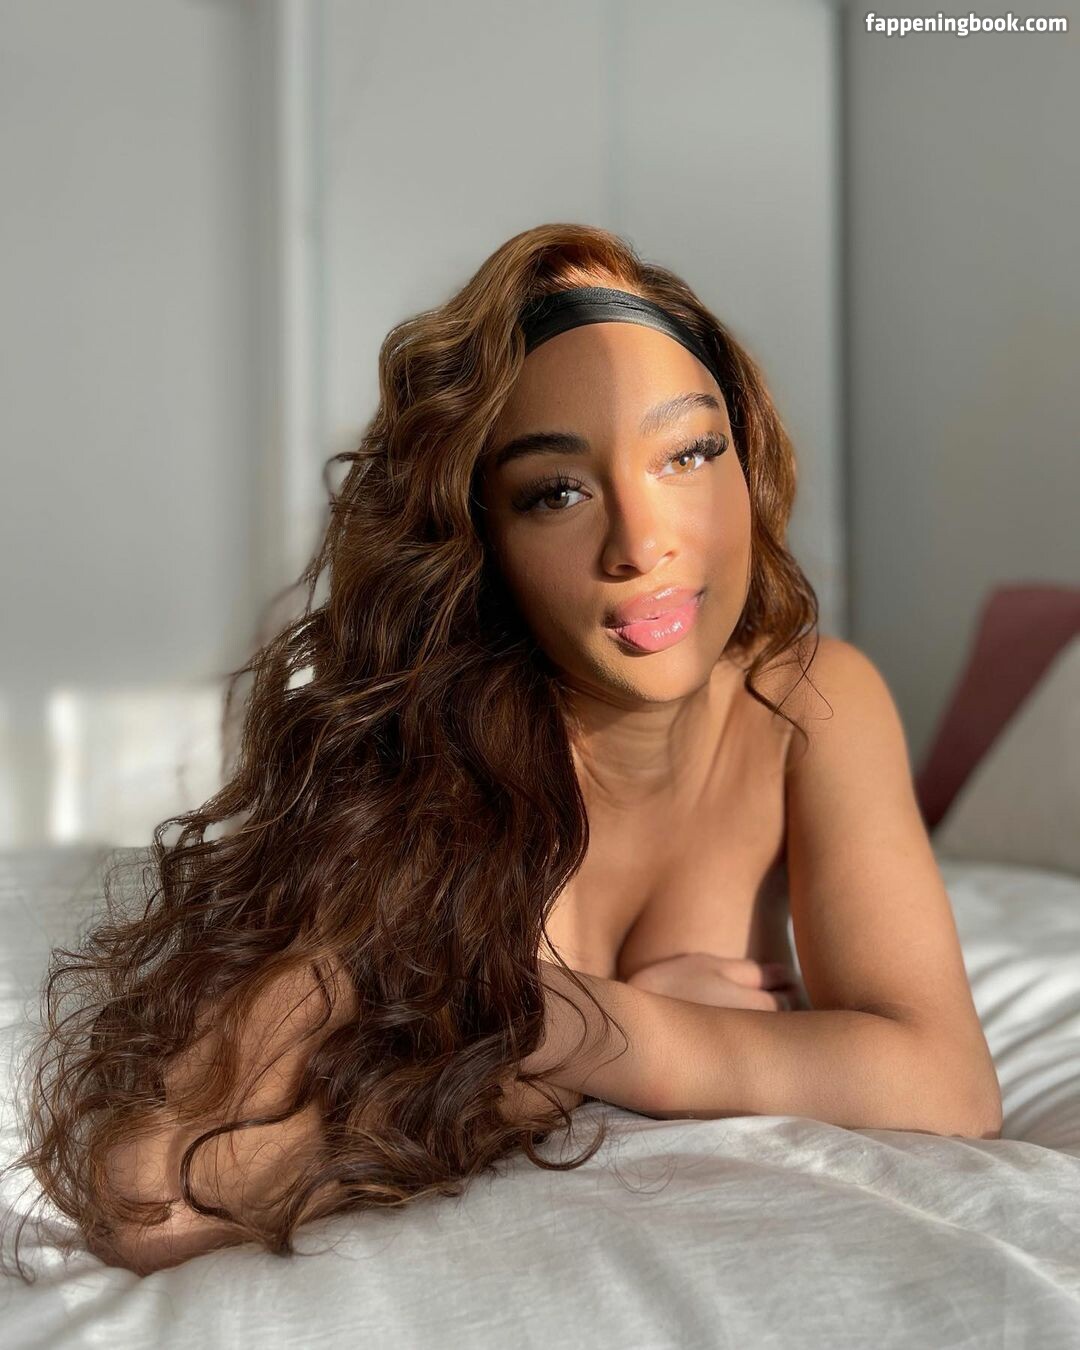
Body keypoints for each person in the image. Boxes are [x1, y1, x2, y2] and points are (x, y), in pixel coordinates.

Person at [0, 223, 998, 1280]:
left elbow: (948, 1084)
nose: (641, 543)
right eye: (557, 492)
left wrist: (566, 1033)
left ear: (745, 460)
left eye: (688, 453)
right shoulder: (427, 768)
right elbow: (148, 1193)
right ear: (482, 540)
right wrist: (569, 1046)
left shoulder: (809, 702)